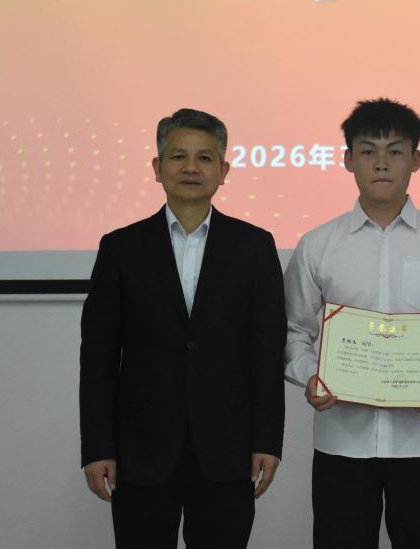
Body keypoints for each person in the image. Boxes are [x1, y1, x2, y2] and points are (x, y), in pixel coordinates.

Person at [282, 98, 420, 548]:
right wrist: (311, 376)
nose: (381, 163)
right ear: (347, 160)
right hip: (342, 441)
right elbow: (295, 329)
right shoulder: (317, 245)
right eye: (368, 151)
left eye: (395, 151)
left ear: (416, 160)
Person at [79, 108, 286, 548]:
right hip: (141, 451)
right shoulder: (121, 248)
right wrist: (97, 447)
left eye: (204, 158)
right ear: (157, 168)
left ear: (223, 171)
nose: (191, 167)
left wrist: (268, 440)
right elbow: (98, 358)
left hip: (227, 452)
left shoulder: (254, 246)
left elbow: (266, 353)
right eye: (178, 157)